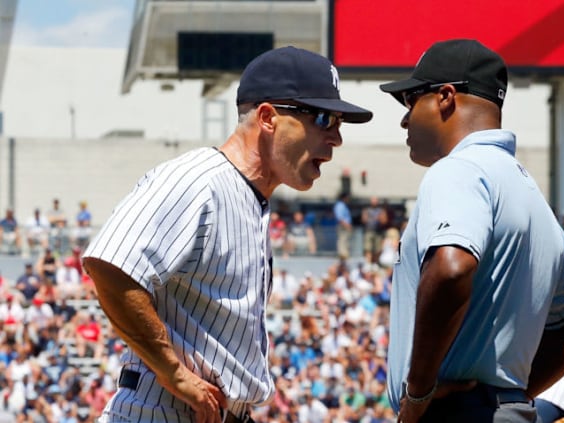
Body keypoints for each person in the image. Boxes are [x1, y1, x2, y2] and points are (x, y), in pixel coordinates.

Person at [82, 45, 372, 422]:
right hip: (161, 410)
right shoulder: (199, 181)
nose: (335, 138)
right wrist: (176, 375)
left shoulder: (253, 199)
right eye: (322, 118)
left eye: (337, 123)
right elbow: (109, 266)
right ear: (267, 117)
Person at [379, 39, 564, 423]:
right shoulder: (529, 192)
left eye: (410, 100)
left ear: (446, 97)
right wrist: (510, 395)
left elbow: (452, 268)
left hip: (452, 413)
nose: (404, 119)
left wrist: (419, 394)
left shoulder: (459, 168)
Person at [334, 192, 353, 261]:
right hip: (343, 226)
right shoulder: (340, 205)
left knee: (346, 240)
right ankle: (342, 255)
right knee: (342, 240)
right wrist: (347, 225)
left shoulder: (343, 205)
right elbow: (340, 218)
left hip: (345, 226)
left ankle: (345, 254)